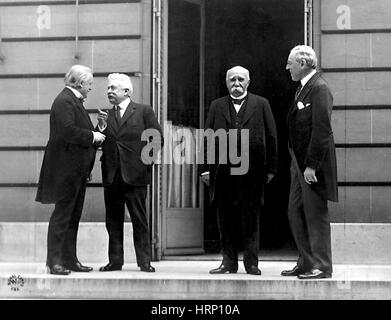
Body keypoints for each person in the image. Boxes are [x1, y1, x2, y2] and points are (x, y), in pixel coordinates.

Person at [201, 66, 278, 275]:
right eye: (232, 80)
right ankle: (228, 262)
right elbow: (207, 136)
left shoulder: (261, 104)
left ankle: (251, 263)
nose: (236, 84)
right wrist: (205, 169)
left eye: (240, 80)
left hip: (252, 172)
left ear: (248, 82)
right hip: (223, 172)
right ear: (226, 83)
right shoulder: (216, 105)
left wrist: (270, 168)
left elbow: (271, 137)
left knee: (250, 218)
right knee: (225, 218)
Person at [36, 65, 106, 275]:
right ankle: (55, 262)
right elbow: (68, 132)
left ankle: (68, 259)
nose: (91, 88)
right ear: (81, 83)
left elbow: (76, 133)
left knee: (71, 217)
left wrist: (98, 128)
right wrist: (93, 136)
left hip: (74, 171)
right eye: (90, 84)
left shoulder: (70, 101)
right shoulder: (65, 101)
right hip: (66, 171)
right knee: (63, 216)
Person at [282, 45, 338, 279]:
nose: (287, 68)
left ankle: (322, 266)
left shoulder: (319, 88)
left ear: (303, 64)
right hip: (299, 163)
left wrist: (312, 166)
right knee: (295, 212)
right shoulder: (303, 88)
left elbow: (322, 129)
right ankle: (306, 261)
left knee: (315, 214)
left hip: (311, 166)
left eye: (290, 63)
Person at [97, 73, 162, 272]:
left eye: (113, 88)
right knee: (113, 221)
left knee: (139, 220)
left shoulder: (143, 111)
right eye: (108, 88)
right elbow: (99, 141)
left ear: (126, 91)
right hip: (112, 176)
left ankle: (144, 262)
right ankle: (115, 261)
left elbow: (156, 138)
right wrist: (100, 127)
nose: (109, 91)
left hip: (136, 177)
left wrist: (146, 165)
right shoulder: (106, 115)